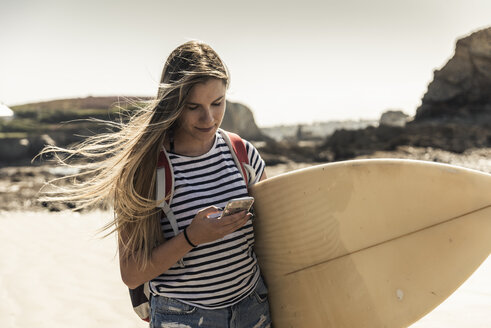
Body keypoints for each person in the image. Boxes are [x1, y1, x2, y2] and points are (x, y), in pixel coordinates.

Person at [40, 40, 271, 328]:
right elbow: (132, 273)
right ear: (173, 104)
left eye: (217, 103)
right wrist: (192, 237)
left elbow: (275, 242)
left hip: (253, 311)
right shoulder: (146, 169)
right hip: (183, 318)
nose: (208, 118)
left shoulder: (243, 154)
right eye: (193, 106)